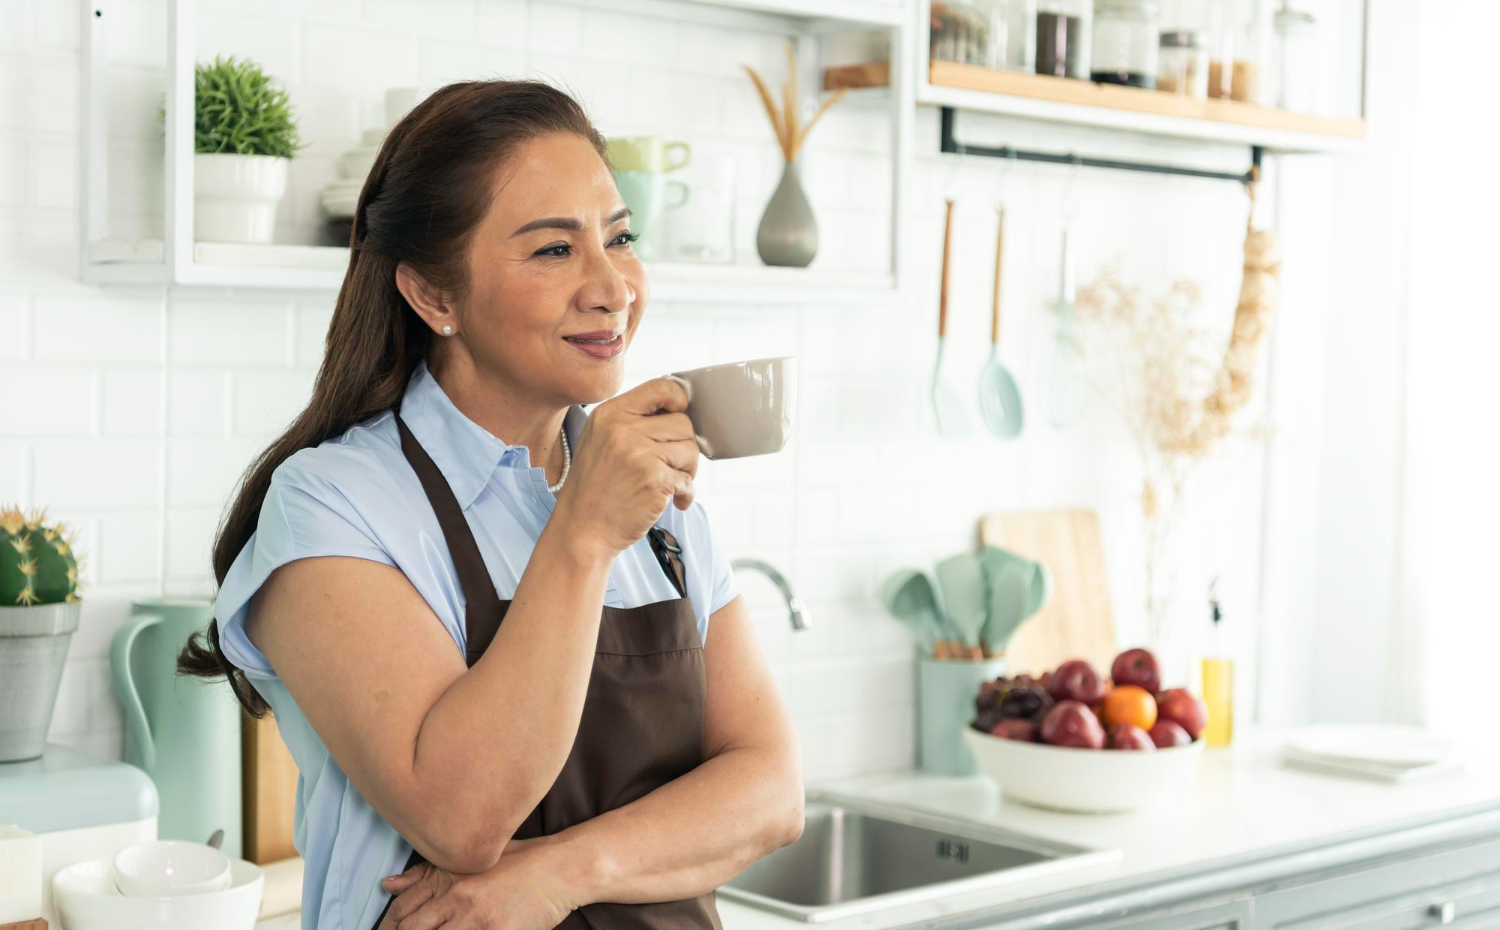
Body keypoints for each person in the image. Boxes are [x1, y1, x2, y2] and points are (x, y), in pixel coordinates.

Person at [179, 79, 803, 930]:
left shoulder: (657, 498)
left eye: (619, 239)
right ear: (434, 296)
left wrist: (558, 873)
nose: (612, 287)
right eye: (553, 251)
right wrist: (582, 534)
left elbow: (769, 790)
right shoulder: (332, 506)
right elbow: (460, 818)